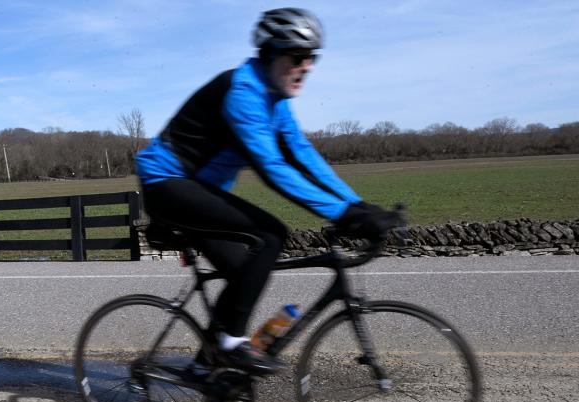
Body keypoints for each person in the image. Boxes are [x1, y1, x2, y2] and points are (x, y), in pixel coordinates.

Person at [136, 7, 401, 374]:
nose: (307, 66)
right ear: (271, 53)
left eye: (312, 58)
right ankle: (230, 344)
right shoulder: (244, 91)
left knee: (244, 270)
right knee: (271, 233)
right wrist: (342, 213)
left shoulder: (275, 99)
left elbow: (303, 155)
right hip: (167, 183)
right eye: (298, 56)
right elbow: (273, 168)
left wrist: (358, 205)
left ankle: (206, 367)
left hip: (198, 189)